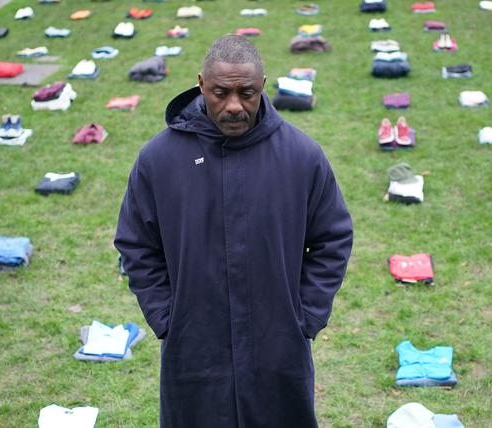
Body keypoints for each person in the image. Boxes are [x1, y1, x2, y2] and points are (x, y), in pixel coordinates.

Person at [114, 35, 354, 427]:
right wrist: (166, 317)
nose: (234, 106)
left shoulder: (301, 156)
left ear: (263, 86)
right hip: (193, 346)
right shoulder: (158, 159)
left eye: (247, 93)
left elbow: (333, 237)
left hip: (279, 344)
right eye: (220, 93)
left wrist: (305, 316)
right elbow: (136, 244)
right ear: (200, 84)